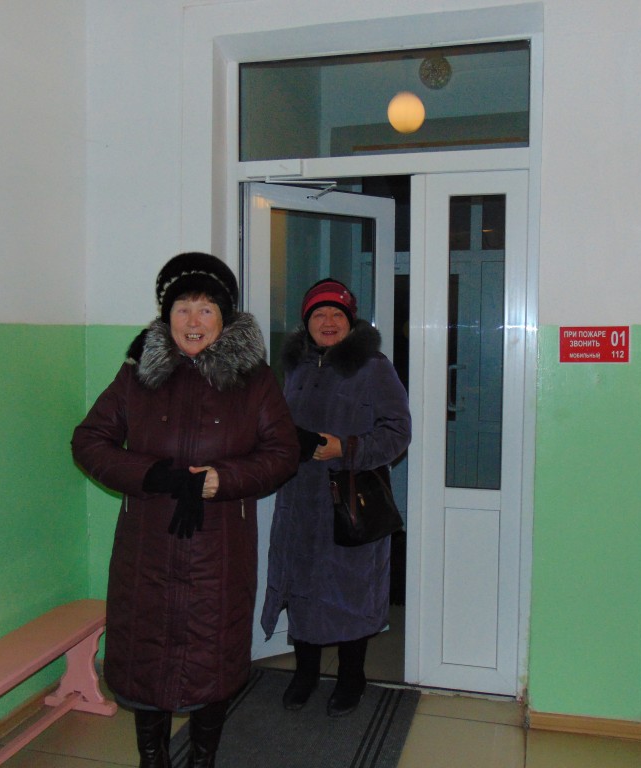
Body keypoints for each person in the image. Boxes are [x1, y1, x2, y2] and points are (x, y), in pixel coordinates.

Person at [72, 253, 299, 768]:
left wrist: (224, 479)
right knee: (145, 655)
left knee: (211, 658)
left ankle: (202, 759)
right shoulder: (137, 376)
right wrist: (149, 474)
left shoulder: (254, 380)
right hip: (147, 545)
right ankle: (151, 758)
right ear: (166, 315)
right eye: (182, 309)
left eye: (206, 310)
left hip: (220, 548)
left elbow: (283, 453)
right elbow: (89, 441)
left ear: (224, 318)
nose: (193, 322)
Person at [261, 278, 411, 717]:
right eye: (319, 314)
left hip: (350, 500)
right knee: (302, 587)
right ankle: (305, 673)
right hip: (299, 500)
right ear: (306, 322)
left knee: (351, 591)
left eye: (337, 314)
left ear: (350, 321)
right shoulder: (295, 367)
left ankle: (351, 677)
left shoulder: (374, 367)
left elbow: (398, 432)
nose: (328, 322)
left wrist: (346, 449)